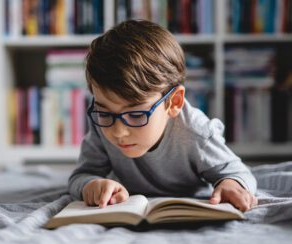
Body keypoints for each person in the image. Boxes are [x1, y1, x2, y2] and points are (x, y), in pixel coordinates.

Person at [68, 20, 257, 212]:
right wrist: (91, 185)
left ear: (174, 102)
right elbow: (81, 175)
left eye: (135, 114)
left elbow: (239, 173)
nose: (118, 131)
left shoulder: (197, 133)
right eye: (105, 112)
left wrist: (231, 184)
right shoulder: (103, 124)